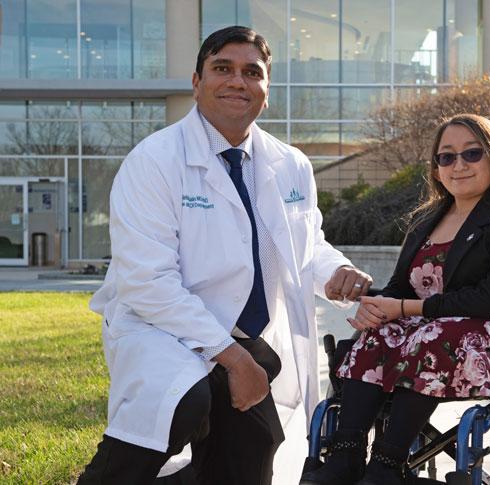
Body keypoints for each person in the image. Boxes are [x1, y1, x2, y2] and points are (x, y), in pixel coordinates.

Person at [78, 25, 372, 485]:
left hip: (243, 335)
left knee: (254, 449)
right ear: (197, 83)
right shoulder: (154, 160)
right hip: (164, 329)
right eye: (222, 68)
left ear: (266, 91)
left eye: (252, 72)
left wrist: (337, 271)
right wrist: (234, 359)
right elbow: (147, 281)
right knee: (182, 403)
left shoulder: (290, 163)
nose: (238, 81)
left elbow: (306, 242)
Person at [300, 114, 490, 485]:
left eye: (472, 153)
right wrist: (374, 305)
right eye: (446, 157)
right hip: (426, 337)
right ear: (436, 169)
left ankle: (387, 464)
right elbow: (400, 289)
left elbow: (489, 297)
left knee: (431, 336)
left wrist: (405, 309)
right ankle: (346, 457)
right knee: (377, 336)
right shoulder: (426, 221)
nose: (459, 165)